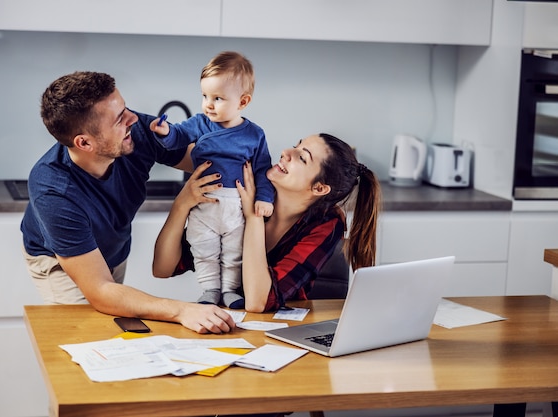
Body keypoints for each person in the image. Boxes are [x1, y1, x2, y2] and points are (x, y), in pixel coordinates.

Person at [20, 71, 235, 334]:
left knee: (117, 332)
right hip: (61, 262)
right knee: (89, 338)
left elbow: (205, 161)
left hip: (113, 247)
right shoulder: (54, 191)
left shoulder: (134, 132)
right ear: (84, 142)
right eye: (119, 118)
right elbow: (100, 290)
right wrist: (182, 310)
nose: (133, 118)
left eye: (126, 108)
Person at [153, 133, 381, 312]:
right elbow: (163, 268)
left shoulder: (327, 223)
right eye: (296, 144)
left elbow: (257, 302)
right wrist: (181, 204)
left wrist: (254, 217)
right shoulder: (241, 185)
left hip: (284, 332)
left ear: (319, 188)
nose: (286, 152)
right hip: (224, 321)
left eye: (302, 158)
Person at [150, 51, 274, 309]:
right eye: (205, 96)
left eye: (218, 98)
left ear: (243, 101)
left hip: (236, 206)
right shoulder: (200, 123)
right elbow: (178, 136)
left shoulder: (254, 134)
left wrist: (264, 198)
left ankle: (229, 290)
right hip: (204, 203)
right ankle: (210, 289)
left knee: (233, 252)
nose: (208, 104)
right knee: (202, 248)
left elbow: (262, 170)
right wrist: (165, 132)